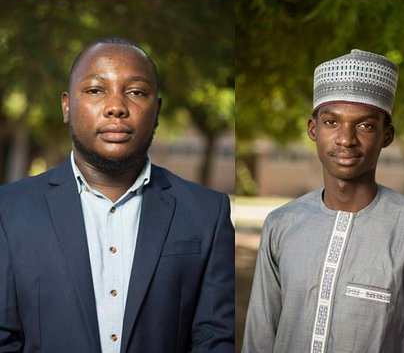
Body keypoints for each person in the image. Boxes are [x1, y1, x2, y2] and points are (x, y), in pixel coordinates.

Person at [0, 38, 234, 352]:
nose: (116, 107)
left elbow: (215, 339)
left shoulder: (208, 213)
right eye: (96, 90)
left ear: (157, 110)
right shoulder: (10, 210)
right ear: (67, 106)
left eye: (136, 92)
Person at [243, 49, 404, 353]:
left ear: (387, 135)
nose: (346, 139)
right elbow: (259, 338)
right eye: (332, 123)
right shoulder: (281, 224)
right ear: (313, 129)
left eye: (365, 125)